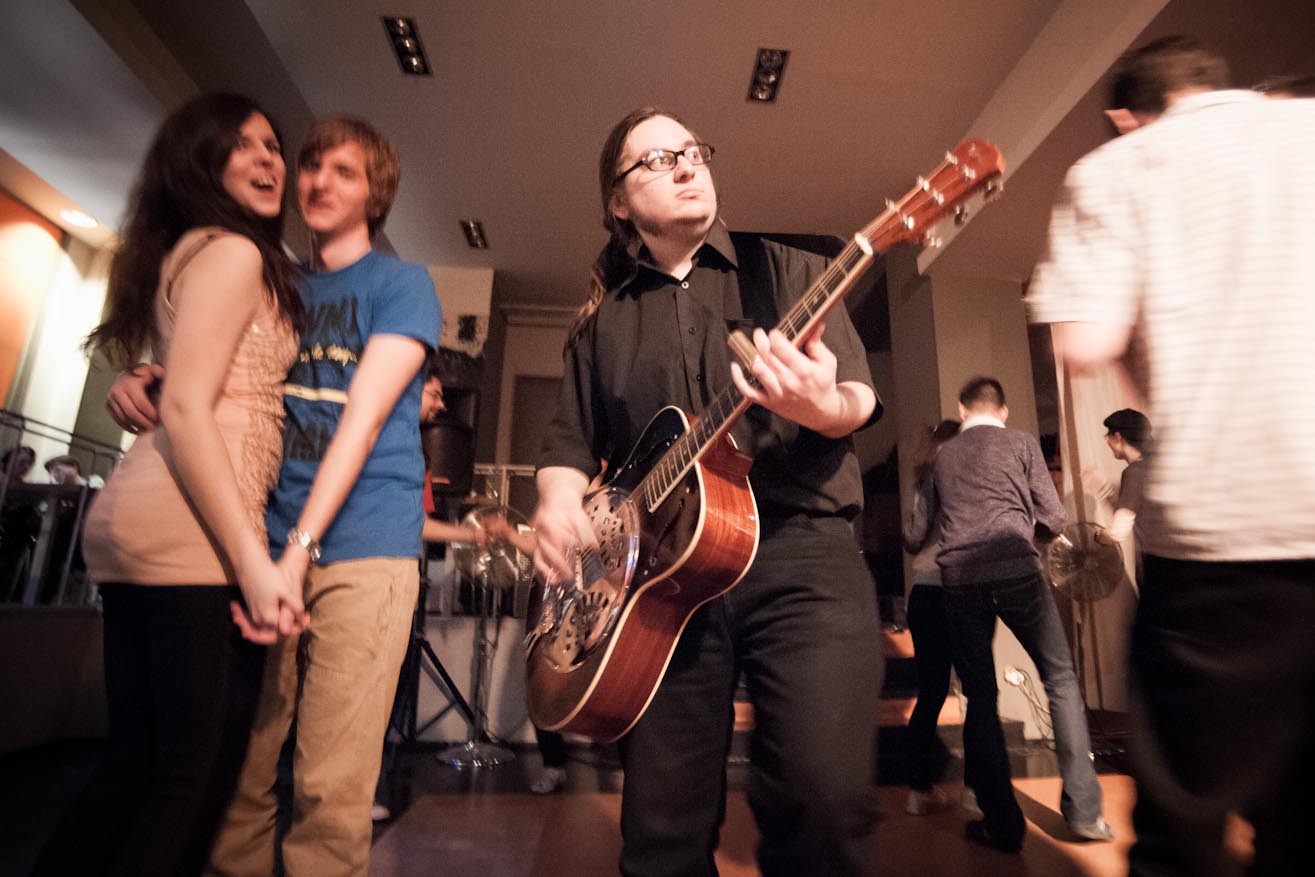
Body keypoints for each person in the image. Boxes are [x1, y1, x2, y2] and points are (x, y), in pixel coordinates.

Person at [533, 107, 883, 876]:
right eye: (658, 159)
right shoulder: (600, 324)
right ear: (618, 201)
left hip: (801, 551)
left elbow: (857, 397)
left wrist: (818, 403)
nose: (687, 165)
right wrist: (557, 501)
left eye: (691, 150)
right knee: (659, 832)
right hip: (660, 581)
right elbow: (567, 446)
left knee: (823, 798)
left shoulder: (791, 271)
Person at [108, 114, 441, 876]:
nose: (319, 181)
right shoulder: (270, 278)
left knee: (329, 788)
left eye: (344, 171)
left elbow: (361, 421)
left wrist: (296, 553)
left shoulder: (402, 283)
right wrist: (140, 377)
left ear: (376, 193)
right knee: (239, 775)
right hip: (255, 546)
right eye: (312, 165)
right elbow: (215, 375)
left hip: (364, 548)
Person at [1028, 35, 1315, 876]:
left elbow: (1084, 340)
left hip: (1227, 533)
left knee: (1183, 827)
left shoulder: (1118, 168)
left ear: (1124, 116)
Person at [33, 92, 307, 877]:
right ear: (200, 161)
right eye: (244, 145)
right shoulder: (234, 253)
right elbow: (186, 408)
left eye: (273, 146)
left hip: (145, 519)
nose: (268, 160)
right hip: (190, 531)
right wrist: (253, 562)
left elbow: (182, 383)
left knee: (135, 770)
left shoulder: (192, 250)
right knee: (187, 782)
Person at [905, 377, 1112, 852]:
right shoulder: (1021, 443)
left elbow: (916, 535)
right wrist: (1022, 536)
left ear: (962, 410)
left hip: (960, 582)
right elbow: (1054, 518)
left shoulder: (940, 457)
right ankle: (1085, 814)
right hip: (1018, 574)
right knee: (1060, 680)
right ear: (1003, 410)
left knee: (980, 695)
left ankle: (1001, 825)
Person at [900, 418, 959, 817]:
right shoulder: (971, 475)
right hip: (961, 588)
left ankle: (918, 788)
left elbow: (913, 537)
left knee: (931, 691)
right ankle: (982, 792)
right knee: (978, 689)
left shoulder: (926, 479)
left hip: (925, 589)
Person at [1084, 408, 1151, 548]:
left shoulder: (1134, 472)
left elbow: (1118, 532)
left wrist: (1098, 537)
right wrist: (1101, 488)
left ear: (1117, 437)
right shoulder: (1154, 466)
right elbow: (1132, 512)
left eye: (1107, 436)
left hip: (1158, 557)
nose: (1107, 442)